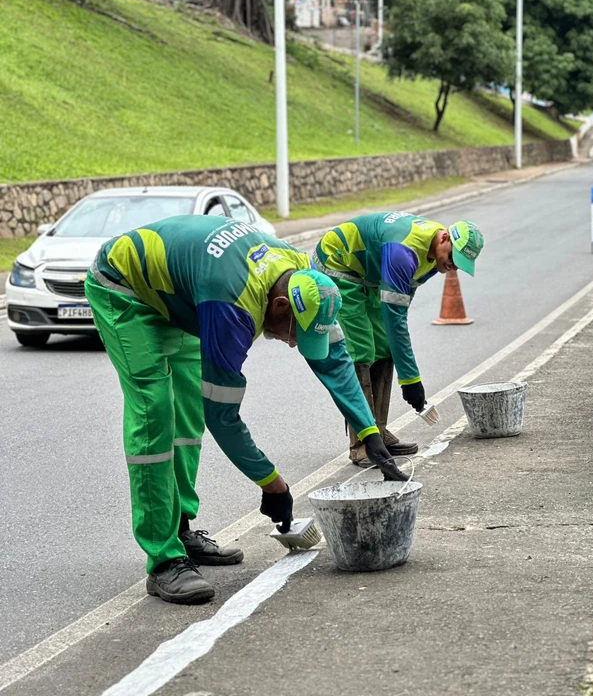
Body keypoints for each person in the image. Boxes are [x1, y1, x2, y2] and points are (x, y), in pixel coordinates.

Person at [85, 214, 405, 606]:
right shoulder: (232, 308)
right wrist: (273, 484)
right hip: (125, 287)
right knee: (156, 412)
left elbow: (335, 359)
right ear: (280, 303)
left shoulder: (308, 278)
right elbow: (223, 416)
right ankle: (164, 561)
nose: (291, 344)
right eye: (292, 332)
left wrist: (370, 433)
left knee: (186, 417)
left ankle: (181, 528)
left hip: (182, 290)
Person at [313, 212, 484, 467]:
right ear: (445, 238)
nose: (453, 266)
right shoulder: (403, 252)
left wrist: (408, 376)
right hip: (338, 264)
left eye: (459, 263)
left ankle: (378, 432)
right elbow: (396, 321)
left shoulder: (432, 255)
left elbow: (399, 308)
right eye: (452, 257)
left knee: (383, 346)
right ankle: (362, 443)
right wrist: (411, 381)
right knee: (361, 350)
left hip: (370, 274)